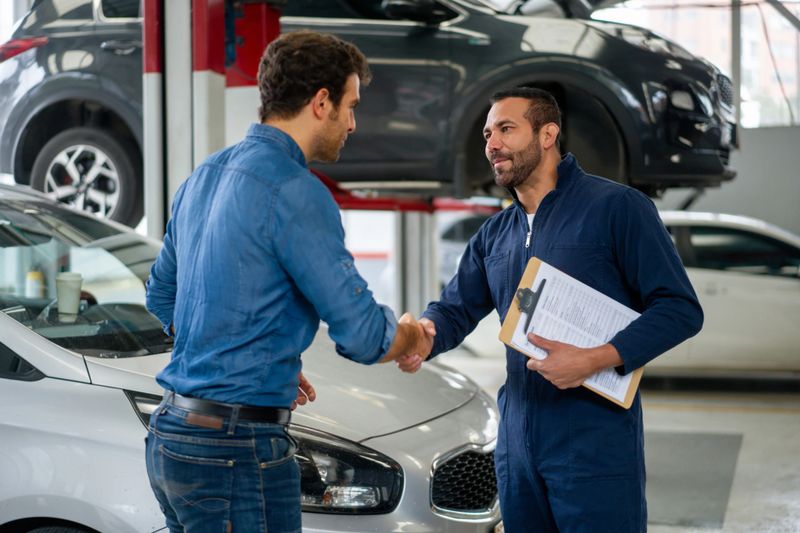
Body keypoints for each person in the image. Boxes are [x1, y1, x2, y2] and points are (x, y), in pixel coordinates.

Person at [145, 30, 431, 533]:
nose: (353, 123)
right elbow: (363, 336)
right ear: (321, 103)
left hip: (172, 438)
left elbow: (161, 295)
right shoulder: (296, 191)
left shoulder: (204, 176)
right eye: (350, 105)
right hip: (234, 450)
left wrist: (244, 356)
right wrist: (412, 334)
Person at [397, 87, 703, 532]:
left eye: (505, 129)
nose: (492, 144)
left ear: (547, 134)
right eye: (487, 134)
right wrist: (422, 335)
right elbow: (454, 309)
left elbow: (680, 309)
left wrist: (595, 359)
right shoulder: (494, 234)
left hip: (593, 438)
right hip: (518, 442)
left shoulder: (617, 208)